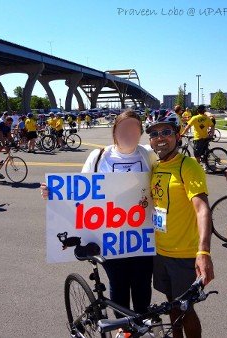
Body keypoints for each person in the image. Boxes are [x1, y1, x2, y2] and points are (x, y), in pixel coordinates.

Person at [41, 109, 157, 319]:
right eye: (124, 129)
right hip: (110, 238)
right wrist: (54, 193)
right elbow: (80, 192)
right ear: (114, 131)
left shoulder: (148, 154)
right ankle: (122, 329)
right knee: (118, 286)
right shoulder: (99, 157)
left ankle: (140, 328)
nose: (128, 134)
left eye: (134, 129)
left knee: (142, 287)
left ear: (140, 132)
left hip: (141, 238)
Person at [146, 112, 214, 338]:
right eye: (154, 134)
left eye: (166, 132)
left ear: (177, 135)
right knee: (172, 306)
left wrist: (203, 252)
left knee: (186, 310)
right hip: (160, 251)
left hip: (183, 254)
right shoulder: (154, 166)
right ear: (150, 140)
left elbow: (202, 209)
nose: (160, 137)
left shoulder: (188, 165)